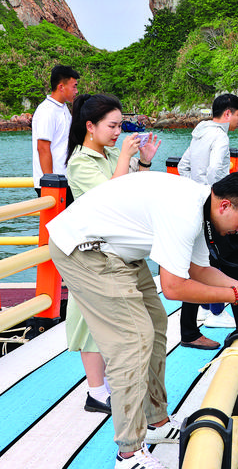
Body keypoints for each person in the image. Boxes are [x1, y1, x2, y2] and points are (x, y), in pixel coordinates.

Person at [47, 171, 238, 469]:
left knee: (155, 325)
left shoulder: (202, 207)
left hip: (118, 251)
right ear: (225, 206)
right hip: (86, 251)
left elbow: (198, 270)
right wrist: (235, 294)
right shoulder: (186, 212)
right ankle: (128, 454)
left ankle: (158, 422)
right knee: (133, 340)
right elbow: (174, 287)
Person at [65, 94, 160, 416]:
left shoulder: (106, 155)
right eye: (113, 126)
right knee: (89, 322)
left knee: (106, 321)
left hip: (111, 252)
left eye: (120, 126)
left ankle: (103, 387)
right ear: (90, 126)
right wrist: (124, 158)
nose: (118, 132)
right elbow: (110, 198)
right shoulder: (79, 162)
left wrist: (143, 161)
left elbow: (133, 192)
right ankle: (96, 391)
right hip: (87, 254)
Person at [177, 93, 238, 338]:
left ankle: (193, 325)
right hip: (213, 208)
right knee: (222, 260)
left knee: (198, 265)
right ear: (227, 113)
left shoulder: (199, 133)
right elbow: (216, 169)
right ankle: (217, 314)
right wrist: (216, 199)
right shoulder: (220, 138)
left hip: (198, 204)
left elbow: (184, 166)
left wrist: (197, 190)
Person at [32, 65, 80, 199]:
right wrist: (51, 183)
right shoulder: (47, 111)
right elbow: (43, 147)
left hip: (65, 180)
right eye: (74, 86)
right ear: (61, 87)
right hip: (54, 184)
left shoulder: (63, 108)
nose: (76, 91)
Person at [177, 93, 238, 184]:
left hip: (197, 193)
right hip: (212, 195)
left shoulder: (200, 132)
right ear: (227, 113)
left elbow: (182, 166)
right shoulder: (221, 136)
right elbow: (214, 169)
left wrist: (196, 186)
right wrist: (211, 193)